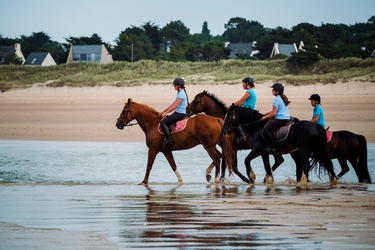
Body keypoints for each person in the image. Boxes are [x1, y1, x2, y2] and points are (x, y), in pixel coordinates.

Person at [261, 83, 291, 153]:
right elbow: (275, 110)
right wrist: (266, 113)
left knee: (265, 130)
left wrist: (265, 117)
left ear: (277, 91)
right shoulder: (282, 98)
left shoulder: (276, 99)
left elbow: (274, 113)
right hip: (287, 118)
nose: (272, 91)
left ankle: (272, 147)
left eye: (273, 90)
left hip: (280, 119)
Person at [160, 77, 188, 145]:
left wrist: (166, 113)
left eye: (175, 85)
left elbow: (175, 106)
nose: (174, 87)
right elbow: (173, 104)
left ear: (179, 86)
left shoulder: (181, 94)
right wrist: (164, 111)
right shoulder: (180, 93)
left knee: (163, 122)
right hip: (178, 112)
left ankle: (169, 139)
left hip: (179, 113)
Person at [233, 77, 257, 143]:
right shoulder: (253, 91)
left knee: (233, 117)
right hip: (248, 110)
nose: (242, 85)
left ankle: (242, 135)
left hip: (247, 111)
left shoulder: (249, 92)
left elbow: (240, 102)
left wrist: (230, 106)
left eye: (243, 83)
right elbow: (242, 103)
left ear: (247, 83)